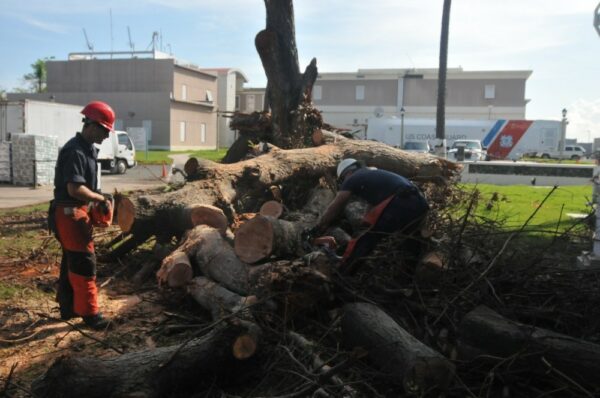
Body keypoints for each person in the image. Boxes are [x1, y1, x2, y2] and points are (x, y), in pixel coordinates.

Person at [49, 101, 115, 330]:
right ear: (92, 125)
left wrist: (97, 197)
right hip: (69, 213)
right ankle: (90, 314)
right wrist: (99, 199)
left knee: (71, 260)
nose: (107, 136)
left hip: (74, 212)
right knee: (84, 264)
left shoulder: (86, 149)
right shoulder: (75, 150)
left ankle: (68, 307)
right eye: (105, 130)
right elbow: (74, 189)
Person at [312, 158, 429, 273]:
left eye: (343, 179)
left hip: (399, 202)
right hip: (420, 202)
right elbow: (374, 208)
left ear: (347, 173)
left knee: (366, 237)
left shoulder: (353, 178)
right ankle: (408, 280)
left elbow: (337, 204)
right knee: (410, 244)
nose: (344, 181)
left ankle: (343, 271)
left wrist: (319, 226)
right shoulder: (373, 176)